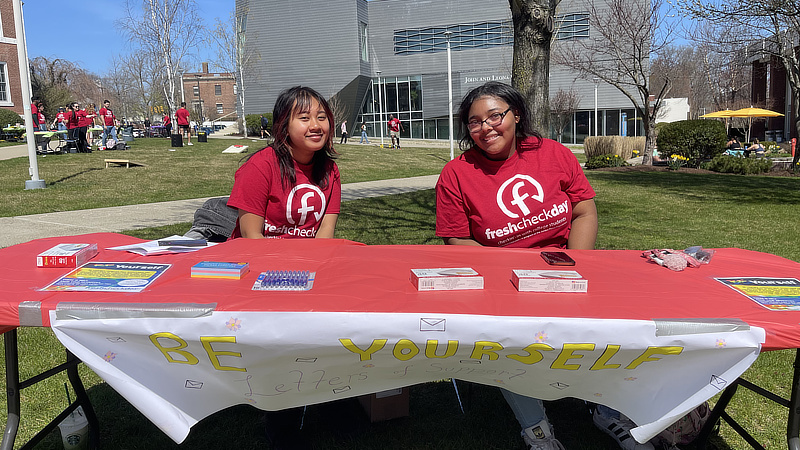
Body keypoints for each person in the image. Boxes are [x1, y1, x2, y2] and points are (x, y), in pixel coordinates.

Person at [436, 82, 640, 450]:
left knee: (605, 333)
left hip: (566, 267)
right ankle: (537, 431)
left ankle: (607, 409)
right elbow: (455, 240)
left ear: (517, 116)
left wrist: (576, 265)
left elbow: (583, 210)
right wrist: (509, 270)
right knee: (506, 343)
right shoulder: (456, 173)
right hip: (501, 279)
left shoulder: (554, 154)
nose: (486, 128)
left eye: (495, 116)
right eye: (474, 122)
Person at [227, 85, 340, 240]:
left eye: (321, 117)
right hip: (258, 258)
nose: (316, 126)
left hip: (308, 260)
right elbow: (251, 235)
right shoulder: (259, 166)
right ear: (284, 125)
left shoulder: (330, 170)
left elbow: (326, 231)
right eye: (304, 118)